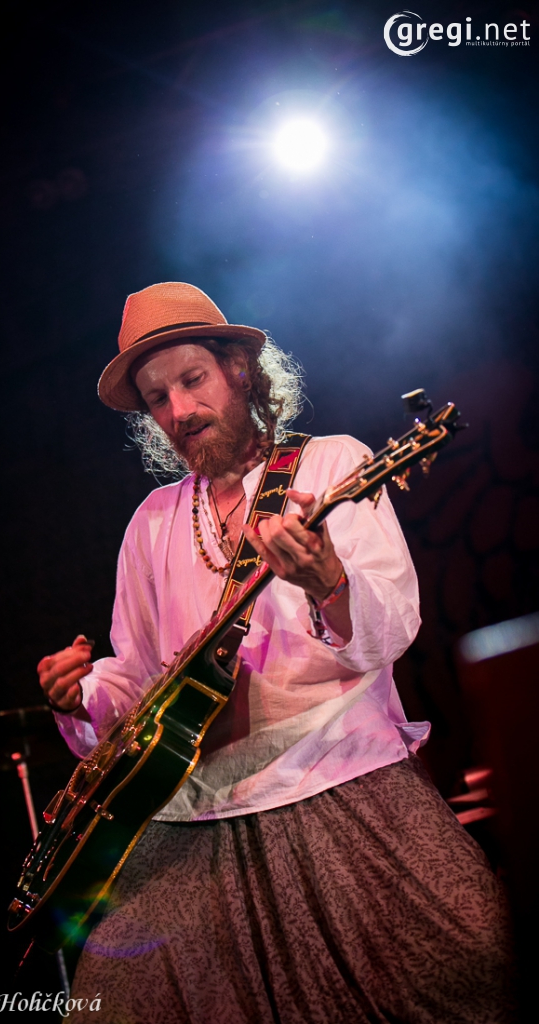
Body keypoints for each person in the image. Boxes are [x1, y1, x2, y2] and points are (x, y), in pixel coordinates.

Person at [37, 282, 514, 1023]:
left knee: (465, 979)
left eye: (192, 379)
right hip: (192, 817)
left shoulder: (331, 466)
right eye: (158, 399)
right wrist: (81, 696)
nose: (179, 411)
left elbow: (393, 628)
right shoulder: (151, 523)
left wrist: (329, 583)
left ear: (238, 369)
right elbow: (134, 684)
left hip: (337, 783)